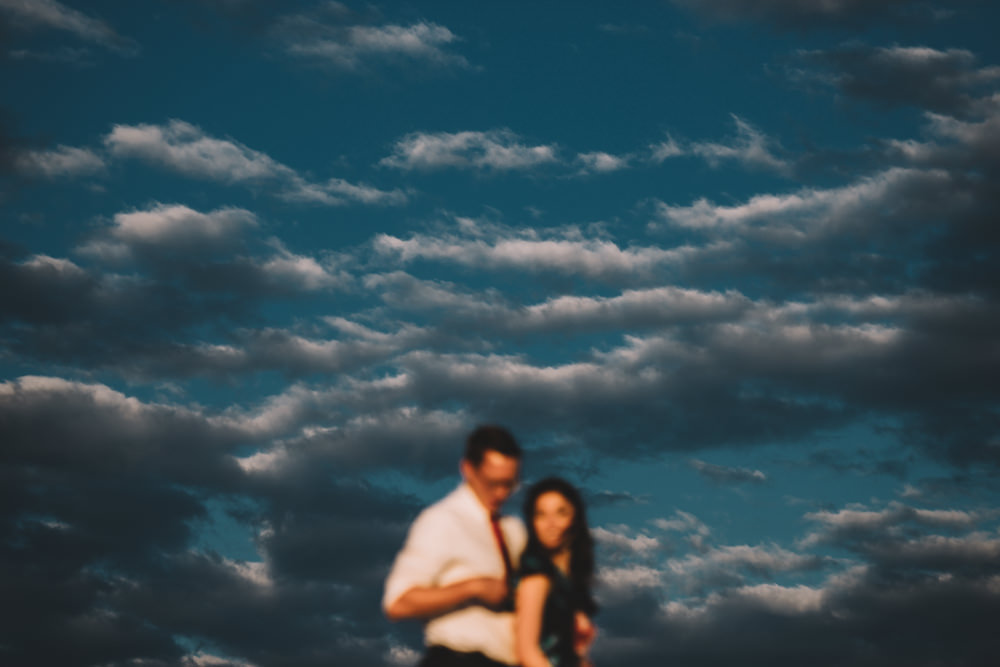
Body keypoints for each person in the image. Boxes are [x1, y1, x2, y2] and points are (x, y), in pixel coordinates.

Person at [383, 425, 527, 667]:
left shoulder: (515, 531)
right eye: (493, 483)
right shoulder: (442, 521)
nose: (501, 493)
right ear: (468, 469)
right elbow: (398, 602)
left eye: (509, 484)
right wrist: (474, 587)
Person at [515, 477, 597, 667]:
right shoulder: (536, 576)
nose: (550, 523)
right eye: (541, 514)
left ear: (575, 517)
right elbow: (527, 651)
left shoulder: (570, 583)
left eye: (561, 512)